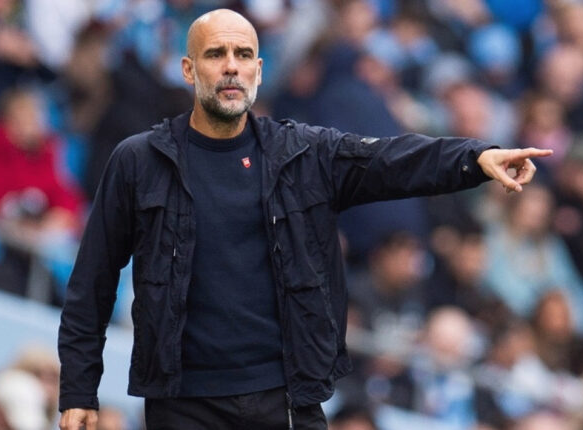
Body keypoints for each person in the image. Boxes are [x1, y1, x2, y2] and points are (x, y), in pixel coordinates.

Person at [58, 9, 551, 430]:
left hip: (285, 399)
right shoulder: (139, 161)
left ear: (259, 70)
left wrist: (475, 157)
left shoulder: (302, 154)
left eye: (243, 55)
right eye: (215, 54)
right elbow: (91, 285)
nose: (231, 67)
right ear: (189, 69)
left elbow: (390, 160)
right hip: (182, 402)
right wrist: (79, 391)